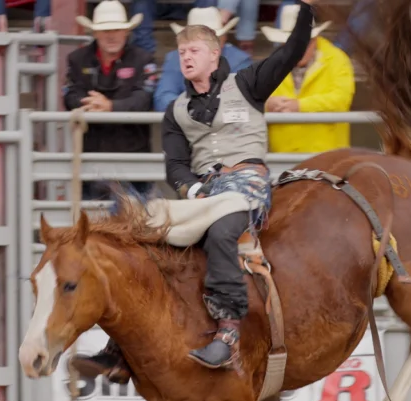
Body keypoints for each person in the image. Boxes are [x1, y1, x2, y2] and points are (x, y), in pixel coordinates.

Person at [71, 0, 315, 379]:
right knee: (143, 226)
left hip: (246, 184)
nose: (185, 56)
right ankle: (118, 347)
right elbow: (176, 165)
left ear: (215, 55)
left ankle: (229, 333)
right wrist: (191, 190)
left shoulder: (248, 83)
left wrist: (306, 9)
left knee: (221, 231)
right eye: (181, 51)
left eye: (194, 50)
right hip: (207, 190)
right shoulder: (177, 111)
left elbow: (290, 53)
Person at [64, 0, 157, 205]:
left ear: (126, 32)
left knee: (141, 225)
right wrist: (89, 103)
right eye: (105, 30)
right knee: (95, 226)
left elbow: (145, 99)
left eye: (116, 29)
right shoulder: (77, 59)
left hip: (134, 157)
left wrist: (110, 107)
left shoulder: (144, 59)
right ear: (95, 33)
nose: (111, 35)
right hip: (92, 157)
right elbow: (69, 95)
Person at [261, 4, 354, 154]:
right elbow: (253, 98)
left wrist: (300, 106)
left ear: (314, 39)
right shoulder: (271, 64)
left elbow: (341, 99)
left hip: (327, 159)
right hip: (283, 157)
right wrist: (267, 104)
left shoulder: (337, 60)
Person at [153, 7, 251, 112]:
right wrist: (192, 109)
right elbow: (162, 97)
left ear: (224, 38)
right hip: (186, 121)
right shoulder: (174, 59)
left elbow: (241, 98)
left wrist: (196, 109)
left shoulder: (240, 60)